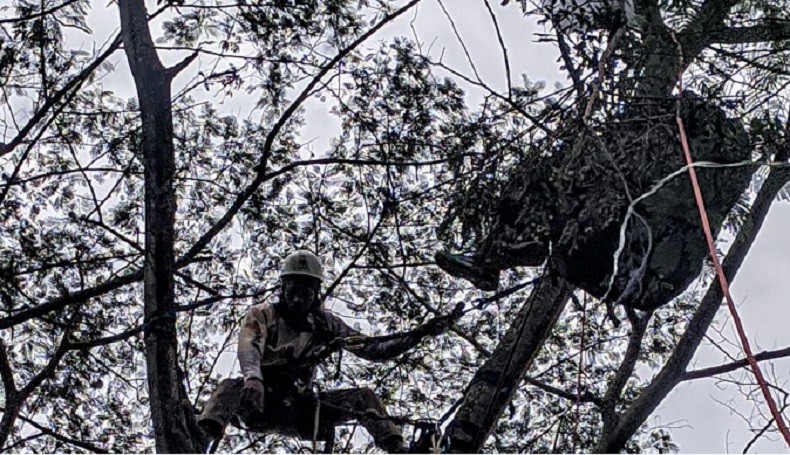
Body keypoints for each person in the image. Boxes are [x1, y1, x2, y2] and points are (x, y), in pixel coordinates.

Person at [198, 250, 461, 453]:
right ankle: (204, 432)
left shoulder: (325, 324)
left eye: (306, 291)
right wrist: (253, 378)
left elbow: (372, 348)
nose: (299, 298)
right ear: (283, 288)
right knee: (229, 387)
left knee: (363, 398)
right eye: (293, 290)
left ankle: (396, 448)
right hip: (261, 401)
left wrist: (421, 333)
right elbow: (249, 346)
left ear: (316, 293)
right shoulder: (265, 314)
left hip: (301, 407)